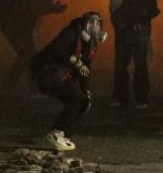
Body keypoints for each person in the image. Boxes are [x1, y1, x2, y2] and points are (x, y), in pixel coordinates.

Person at [31, 11, 107, 151]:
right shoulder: (71, 32)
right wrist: (76, 63)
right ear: (84, 22)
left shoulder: (91, 44)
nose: (95, 26)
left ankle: (64, 134)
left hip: (61, 75)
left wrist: (86, 90)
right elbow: (57, 50)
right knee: (77, 98)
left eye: (98, 23)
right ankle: (56, 133)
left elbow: (86, 69)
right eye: (91, 22)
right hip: (49, 73)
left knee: (82, 101)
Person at [0, 0, 67, 95]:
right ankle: (13, 89)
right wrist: (52, 8)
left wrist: (52, 6)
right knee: (27, 55)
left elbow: (38, 6)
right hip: (12, 22)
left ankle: (20, 89)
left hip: (21, 24)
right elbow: (30, 6)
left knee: (28, 55)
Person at [109, 0, 160, 109]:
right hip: (123, 30)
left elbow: (153, 9)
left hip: (140, 31)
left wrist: (141, 18)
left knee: (140, 65)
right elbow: (114, 8)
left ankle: (141, 98)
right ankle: (120, 97)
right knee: (121, 65)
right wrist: (123, 23)